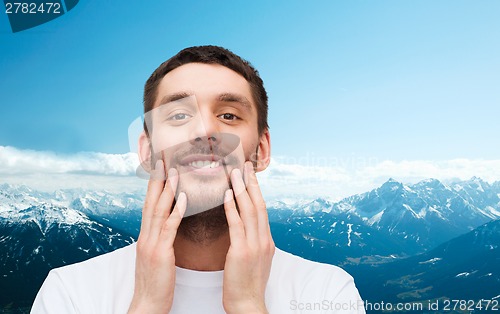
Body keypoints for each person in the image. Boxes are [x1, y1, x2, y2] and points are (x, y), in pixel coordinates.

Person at [31, 45, 365, 313]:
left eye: (229, 115)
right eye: (178, 115)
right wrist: (146, 305)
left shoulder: (328, 293)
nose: (205, 131)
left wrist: (248, 306)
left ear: (261, 150)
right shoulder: (69, 293)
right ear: (147, 152)